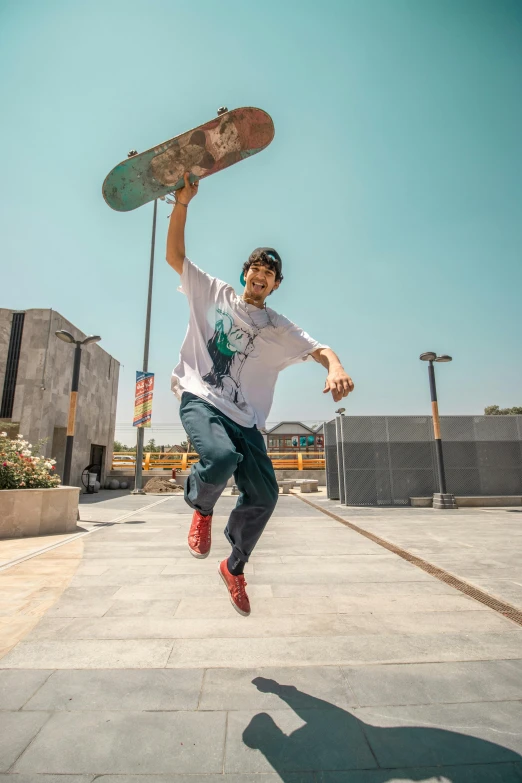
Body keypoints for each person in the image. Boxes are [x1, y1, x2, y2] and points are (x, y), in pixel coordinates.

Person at [167, 173, 354, 616]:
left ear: (275, 285)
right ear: (245, 273)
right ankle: (202, 506)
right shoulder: (216, 293)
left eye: (269, 273)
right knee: (220, 459)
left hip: (247, 419)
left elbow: (319, 348)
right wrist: (183, 204)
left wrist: (337, 367)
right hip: (201, 397)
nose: (260, 276)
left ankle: (234, 565)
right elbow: (176, 255)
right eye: (256, 268)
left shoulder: (279, 325)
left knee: (266, 496)